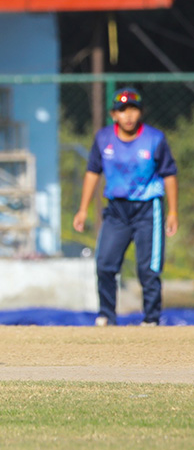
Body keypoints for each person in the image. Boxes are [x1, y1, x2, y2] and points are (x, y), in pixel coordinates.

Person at [73, 87, 178, 326]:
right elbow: (92, 172)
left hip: (148, 209)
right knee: (105, 264)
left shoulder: (154, 139)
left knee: (148, 268)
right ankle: (107, 316)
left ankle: (151, 319)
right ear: (113, 115)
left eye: (133, 109)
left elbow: (169, 175)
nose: (128, 115)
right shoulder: (103, 138)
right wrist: (82, 209)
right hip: (116, 210)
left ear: (140, 113)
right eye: (122, 110)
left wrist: (172, 212)